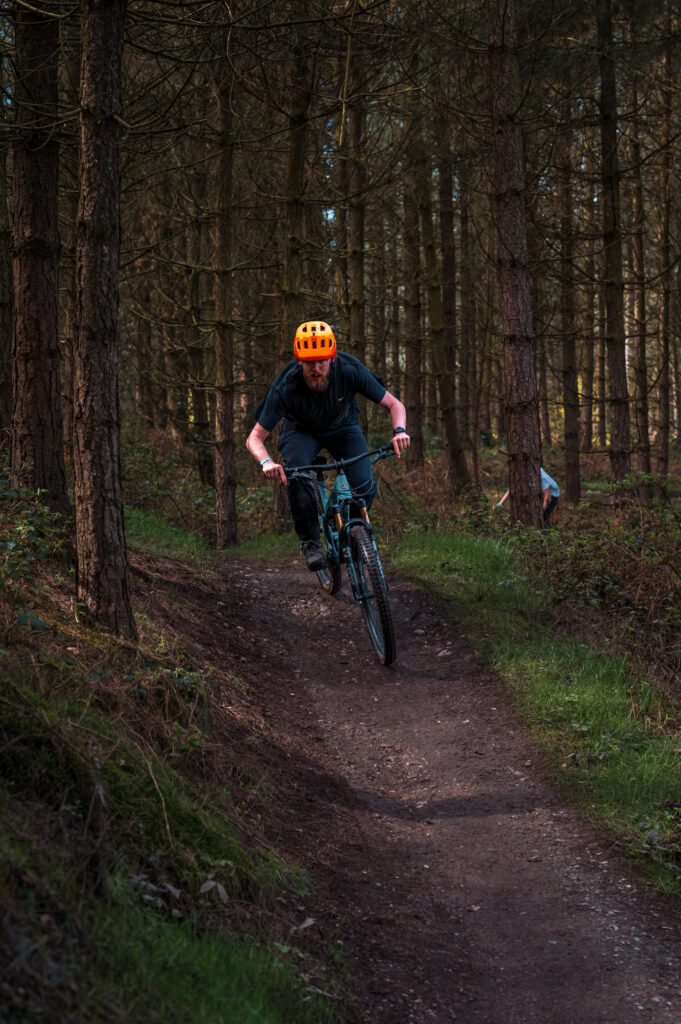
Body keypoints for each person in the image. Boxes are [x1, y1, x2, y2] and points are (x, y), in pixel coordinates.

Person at [246, 321, 410, 571]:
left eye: (322, 361)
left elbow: (394, 405)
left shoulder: (349, 370)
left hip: (344, 428)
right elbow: (254, 438)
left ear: (332, 358)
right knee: (297, 477)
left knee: (365, 487)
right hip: (301, 431)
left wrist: (399, 431)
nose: (316, 368)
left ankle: (353, 534)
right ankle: (310, 542)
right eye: (309, 362)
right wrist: (266, 462)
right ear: (299, 360)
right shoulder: (286, 385)